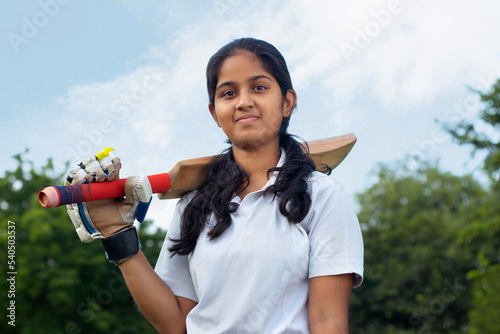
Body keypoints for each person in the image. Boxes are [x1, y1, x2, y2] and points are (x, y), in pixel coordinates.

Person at [66, 37, 364, 333]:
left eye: (259, 87)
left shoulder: (321, 195)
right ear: (214, 113)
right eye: (229, 93)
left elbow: (328, 320)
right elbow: (175, 324)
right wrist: (117, 233)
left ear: (287, 102)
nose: (244, 101)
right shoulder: (193, 204)